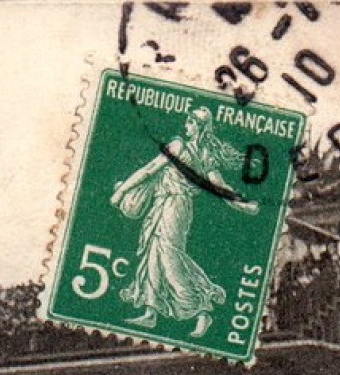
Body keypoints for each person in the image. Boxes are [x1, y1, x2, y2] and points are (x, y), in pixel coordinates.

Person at [111, 106, 261, 338]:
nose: (186, 125)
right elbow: (222, 189)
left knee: (170, 256)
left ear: (199, 127)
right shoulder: (205, 155)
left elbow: (150, 169)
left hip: (175, 206)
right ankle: (150, 312)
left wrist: (121, 191)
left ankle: (201, 310)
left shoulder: (181, 147)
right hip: (167, 204)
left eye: (190, 122)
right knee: (154, 253)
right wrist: (243, 205)